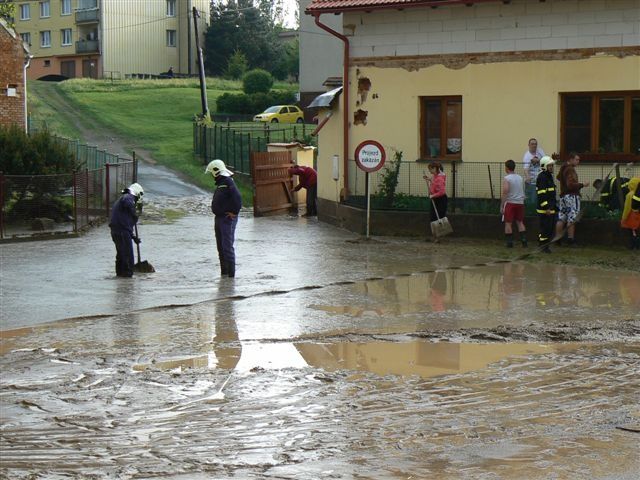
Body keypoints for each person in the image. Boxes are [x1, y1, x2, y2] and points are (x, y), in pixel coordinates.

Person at [206, 159, 242, 278]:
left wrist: (234, 213)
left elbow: (237, 198)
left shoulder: (228, 182)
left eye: (211, 173)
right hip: (219, 218)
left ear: (216, 171)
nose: (211, 175)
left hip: (227, 219)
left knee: (227, 247)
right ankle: (224, 276)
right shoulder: (222, 183)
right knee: (220, 247)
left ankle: (231, 278)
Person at [109, 183, 143, 277]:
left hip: (118, 231)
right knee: (127, 257)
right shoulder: (128, 197)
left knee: (121, 255)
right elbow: (127, 202)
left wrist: (133, 237)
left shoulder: (122, 205)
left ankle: (120, 279)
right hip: (121, 232)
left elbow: (125, 224)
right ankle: (127, 281)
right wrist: (134, 213)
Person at [555, 152, 590, 246]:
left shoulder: (563, 167)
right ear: (571, 159)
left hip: (563, 196)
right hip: (571, 196)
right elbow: (570, 185)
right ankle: (571, 239)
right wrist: (582, 185)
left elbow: (558, 177)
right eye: (576, 159)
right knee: (572, 218)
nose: (578, 161)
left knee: (561, 217)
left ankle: (557, 239)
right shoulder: (570, 169)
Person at [500, 159, 527, 248]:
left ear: (507, 168)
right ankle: (524, 241)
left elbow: (505, 191)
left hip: (511, 202)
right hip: (520, 202)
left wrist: (502, 205)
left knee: (508, 223)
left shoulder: (507, 178)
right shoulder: (520, 178)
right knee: (520, 222)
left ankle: (509, 243)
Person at [536, 156, 557, 253]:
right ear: (544, 166)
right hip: (545, 209)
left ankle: (544, 245)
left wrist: (554, 206)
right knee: (545, 229)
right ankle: (543, 246)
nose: (552, 167)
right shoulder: (542, 177)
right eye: (550, 166)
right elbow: (541, 194)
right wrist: (546, 207)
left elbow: (551, 193)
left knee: (549, 229)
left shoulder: (549, 176)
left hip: (550, 208)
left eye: (552, 165)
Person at [423, 161, 447, 241]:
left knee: (438, 217)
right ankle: (435, 236)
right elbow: (434, 182)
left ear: (435, 168)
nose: (429, 171)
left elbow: (441, 192)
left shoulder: (440, 178)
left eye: (430, 169)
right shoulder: (434, 176)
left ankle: (439, 236)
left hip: (440, 200)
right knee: (433, 217)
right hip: (434, 199)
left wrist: (432, 195)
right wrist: (428, 179)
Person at [523, 138, 545, 207]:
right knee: (532, 200)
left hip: (541, 181)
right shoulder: (527, 156)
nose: (534, 145)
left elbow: (546, 160)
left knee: (541, 199)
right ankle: (531, 214)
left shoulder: (540, 151)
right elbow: (526, 169)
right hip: (532, 182)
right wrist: (528, 177)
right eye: (532, 144)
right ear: (529, 145)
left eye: (535, 144)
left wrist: (538, 160)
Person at [620, 177, 640, 250]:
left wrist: (624, 217)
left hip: (632, 216)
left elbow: (627, 207)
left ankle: (633, 246)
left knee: (632, 231)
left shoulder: (630, 195)